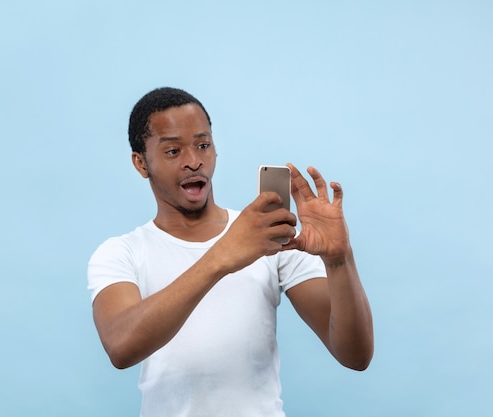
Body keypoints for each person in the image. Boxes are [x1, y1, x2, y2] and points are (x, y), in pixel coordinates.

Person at [87, 87, 374, 417]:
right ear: (141, 163)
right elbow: (121, 347)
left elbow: (356, 356)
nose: (193, 161)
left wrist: (340, 260)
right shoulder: (121, 252)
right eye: (172, 151)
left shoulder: (267, 236)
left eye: (203, 145)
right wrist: (222, 256)